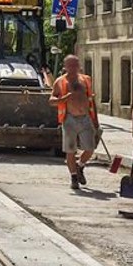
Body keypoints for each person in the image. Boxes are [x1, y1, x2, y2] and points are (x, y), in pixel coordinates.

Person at [49, 55, 98, 190]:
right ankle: (74, 177)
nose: (73, 68)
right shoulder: (60, 81)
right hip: (69, 119)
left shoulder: (86, 80)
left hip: (85, 118)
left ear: (79, 66)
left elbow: (91, 100)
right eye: (70, 65)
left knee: (90, 149)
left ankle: (80, 166)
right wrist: (63, 99)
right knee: (70, 151)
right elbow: (51, 100)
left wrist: (95, 120)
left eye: (75, 65)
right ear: (65, 67)